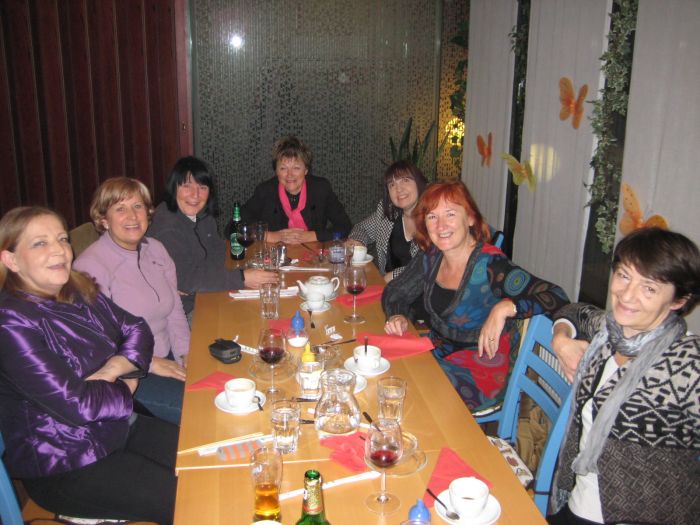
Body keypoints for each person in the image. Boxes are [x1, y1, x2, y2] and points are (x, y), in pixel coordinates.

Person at [0, 206, 176, 524]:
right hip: (65, 461)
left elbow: (136, 328)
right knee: (185, 498)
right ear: (11, 260)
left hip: (118, 426)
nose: (59, 250)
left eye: (62, 238)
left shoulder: (77, 289)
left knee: (204, 459)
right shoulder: (11, 323)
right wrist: (128, 383)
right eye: (40, 243)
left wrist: (115, 368)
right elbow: (77, 406)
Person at [547, 228, 700, 525]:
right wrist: (561, 339)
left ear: (679, 300)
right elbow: (572, 310)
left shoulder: (689, 365)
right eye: (624, 276)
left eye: (649, 288)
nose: (627, 295)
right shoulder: (608, 330)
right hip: (574, 501)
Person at [382, 181, 569, 412]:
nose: (441, 225)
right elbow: (395, 291)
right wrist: (398, 315)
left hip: (480, 371)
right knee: (386, 379)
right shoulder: (432, 257)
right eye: (432, 217)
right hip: (438, 354)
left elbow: (557, 295)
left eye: (450, 214)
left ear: (470, 218)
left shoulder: (491, 265)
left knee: (409, 402)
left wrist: (505, 308)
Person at [74, 177, 189, 425]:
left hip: (169, 354)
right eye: (120, 209)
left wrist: (185, 353)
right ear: (103, 220)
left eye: (138, 206)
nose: (133, 216)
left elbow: (174, 311)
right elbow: (97, 342)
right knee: (200, 410)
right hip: (131, 373)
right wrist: (150, 363)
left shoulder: (155, 249)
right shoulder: (90, 268)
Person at [148, 156, 277, 316]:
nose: (195, 195)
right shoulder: (167, 228)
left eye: (202, 187)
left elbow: (216, 252)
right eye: (187, 186)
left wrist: (232, 276)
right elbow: (186, 279)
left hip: (203, 296)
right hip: (180, 312)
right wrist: (242, 278)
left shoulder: (202, 215)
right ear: (173, 188)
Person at [241, 135, 352, 244]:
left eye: (296, 168)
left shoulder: (321, 189)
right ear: (276, 171)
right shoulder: (265, 191)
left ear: (306, 170)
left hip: (313, 253)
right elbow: (237, 223)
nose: (290, 175)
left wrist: (312, 236)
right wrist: (270, 236)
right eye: (283, 168)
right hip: (275, 254)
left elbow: (345, 226)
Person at [348, 160, 428, 283]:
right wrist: (358, 241)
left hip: (420, 289)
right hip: (387, 286)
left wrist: (392, 276)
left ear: (419, 183)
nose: (398, 189)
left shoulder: (434, 218)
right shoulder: (388, 212)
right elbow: (362, 228)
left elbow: (428, 264)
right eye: (392, 185)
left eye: (405, 180)